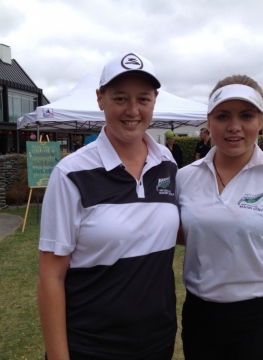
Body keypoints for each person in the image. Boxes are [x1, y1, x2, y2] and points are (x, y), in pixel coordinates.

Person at [37, 52, 179, 360]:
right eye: (120, 98)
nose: (132, 110)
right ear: (100, 99)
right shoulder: (70, 174)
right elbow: (51, 276)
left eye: (143, 99)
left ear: (155, 100)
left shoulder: (167, 163)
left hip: (157, 341)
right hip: (90, 346)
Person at [176, 75, 263, 359]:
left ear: (262, 121)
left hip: (256, 321)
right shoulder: (184, 178)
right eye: (223, 116)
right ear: (209, 120)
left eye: (246, 115)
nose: (234, 127)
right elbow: (180, 235)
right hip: (200, 317)